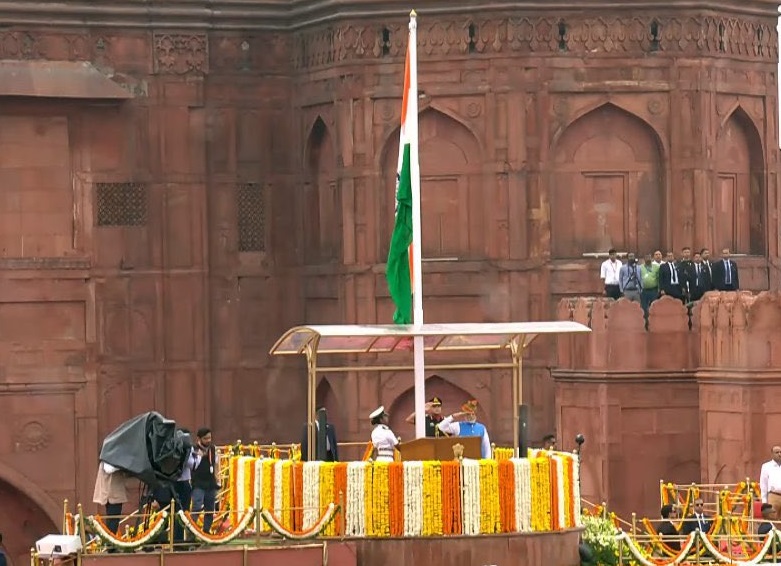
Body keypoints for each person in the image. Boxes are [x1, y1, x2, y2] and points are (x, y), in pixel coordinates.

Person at [191, 427, 221, 534]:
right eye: (205, 438)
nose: (208, 440)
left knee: (210, 509)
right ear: (199, 439)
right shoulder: (194, 449)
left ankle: (206, 531)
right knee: (197, 507)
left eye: (210, 438)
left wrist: (218, 480)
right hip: (198, 483)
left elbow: (216, 464)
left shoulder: (213, 449)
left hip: (210, 483)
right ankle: (192, 532)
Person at [92, 460, 129, 535]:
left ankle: (110, 541)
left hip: (114, 492)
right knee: (113, 521)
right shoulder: (109, 452)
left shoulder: (110, 451)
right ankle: (110, 544)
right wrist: (125, 464)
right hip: (112, 493)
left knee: (114, 520)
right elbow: (109, 468)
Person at [760, 445, 781, 518]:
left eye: (780, 452)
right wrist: (764, 501)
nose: (779, 454)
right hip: (773, 496)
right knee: (772, 520)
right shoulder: (766, 466)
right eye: (777, 452)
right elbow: (763, 484)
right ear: (772, 454)